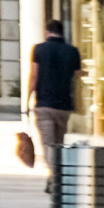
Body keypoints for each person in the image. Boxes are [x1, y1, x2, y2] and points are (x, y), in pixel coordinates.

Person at [27, 20, 81, 195]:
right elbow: (78, 77)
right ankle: (55, 177)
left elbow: (34, 76)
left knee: (49, 145)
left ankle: (55, 177)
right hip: (64, 106)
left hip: (44, 105)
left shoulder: (39, 49)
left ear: (47, 31)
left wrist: (27, 100)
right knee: (58, 144)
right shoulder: (73, 52)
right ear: (62, 32)